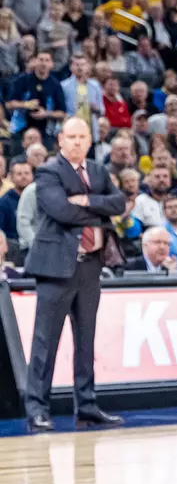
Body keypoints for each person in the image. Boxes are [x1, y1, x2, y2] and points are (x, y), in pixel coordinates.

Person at [23, 117, 125, 432]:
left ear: (89, 141)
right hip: (55, 268)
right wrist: (99, 209)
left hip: (91, 266)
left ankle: (88, 405)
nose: (78, 142)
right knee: (45, 342)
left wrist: (86, 201)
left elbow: (119, 203)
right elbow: (60, 211)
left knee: (86, 340)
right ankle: (37, 408)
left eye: (83, 136)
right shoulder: (49, 171)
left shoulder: (97, 170)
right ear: (61, 141)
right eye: (72, 137)